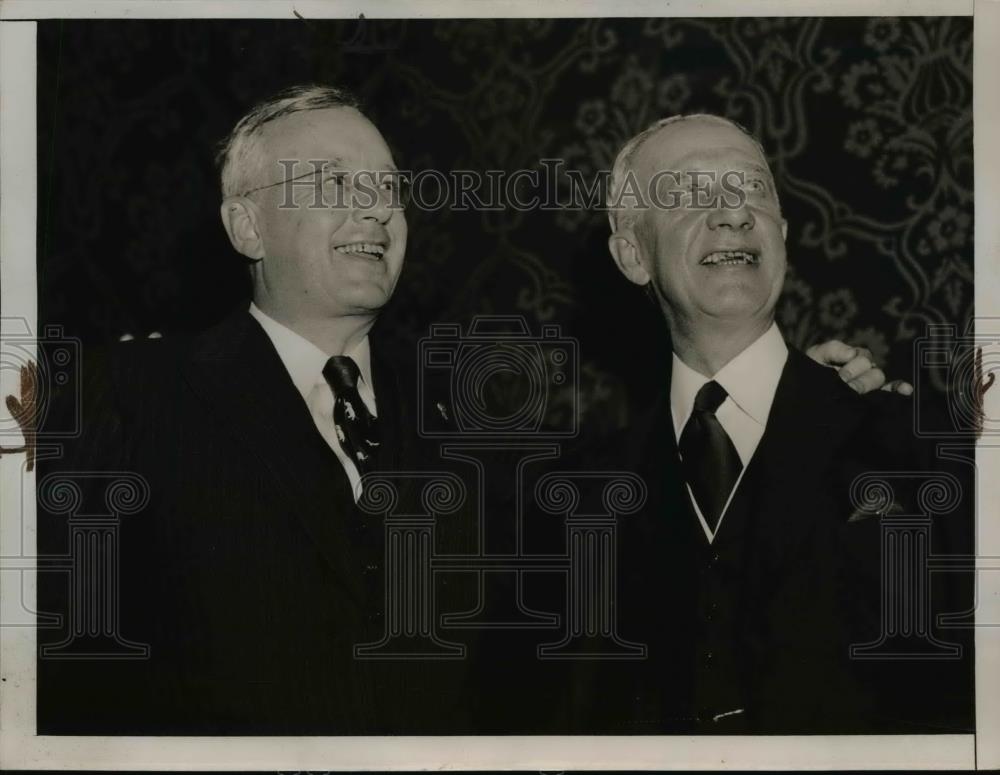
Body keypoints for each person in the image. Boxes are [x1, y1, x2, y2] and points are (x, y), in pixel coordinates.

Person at [35, 86, 907, 736]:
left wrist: (817, 405)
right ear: (246, 228)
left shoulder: (488, 433)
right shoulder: (122, 398)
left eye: (386, 185)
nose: (376, 206)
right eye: (331, 184)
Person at [539, 113, 972, 734]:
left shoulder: (922, 446)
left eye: (752, 190)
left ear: (783, 235)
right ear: (634, 255)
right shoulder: (574, 501)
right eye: (690, 193)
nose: (734, 213)